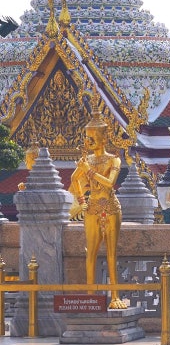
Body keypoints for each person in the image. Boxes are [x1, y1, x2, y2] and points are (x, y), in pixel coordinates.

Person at [68, 118, 123, 305]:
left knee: (111, 253)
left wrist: (88, 171)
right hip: (92, 209)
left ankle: (115, 296)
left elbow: (110, 183)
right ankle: (91, 297)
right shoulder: (87, 160)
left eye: (93, 137)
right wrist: (82, 200)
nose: (88, 141)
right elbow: (73, 178)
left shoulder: (114, 159)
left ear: (104, 138)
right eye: (87, 137)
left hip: (110, 207)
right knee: (90, 252)